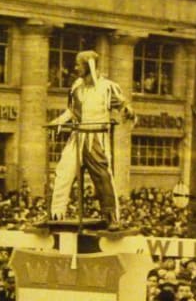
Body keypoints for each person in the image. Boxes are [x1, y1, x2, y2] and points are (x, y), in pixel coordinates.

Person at [47, 50, 136, 228]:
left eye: (78, 64)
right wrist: (56, 122)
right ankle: (55, 215)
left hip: (96, 137)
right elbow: (72, 111)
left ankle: (111, 217)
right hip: (78, 136)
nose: (75, 68)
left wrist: (128, 111)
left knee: (102, 176)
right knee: (63, 172)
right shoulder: (76, 87)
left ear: (89, 66)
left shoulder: (107, 87)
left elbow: (123, 105)